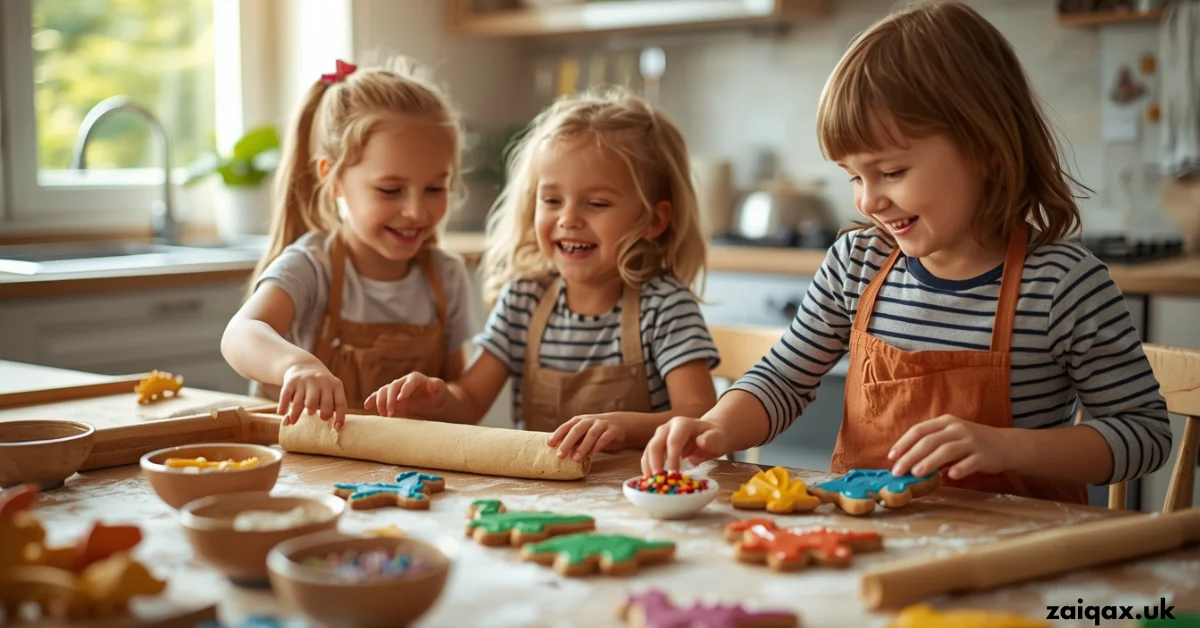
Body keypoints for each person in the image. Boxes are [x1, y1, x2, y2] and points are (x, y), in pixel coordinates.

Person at [640, 1, 1173, 502]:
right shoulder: (856, 265)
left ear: (987, 151)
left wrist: (1008, 447)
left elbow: (1143, 434)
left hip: (1018, 558)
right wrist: (715, 426)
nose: (870, 200)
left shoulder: (1061, 285)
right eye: (854, 176)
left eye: (892, 172)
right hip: (868, 542)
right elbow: (781, 379)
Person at [366, 87, 721, 463]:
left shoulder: (664, 305)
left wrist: (623, 427)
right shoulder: (525, 300)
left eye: (596, 203)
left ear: (654, 219)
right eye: (551, 200)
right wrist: (436, 398)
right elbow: (469, 402)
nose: (568, 219)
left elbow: (699, 415)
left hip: (640, 497)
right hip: (544, 498)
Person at [221, 57, 474, 432]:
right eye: (391, 190)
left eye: (435, 188)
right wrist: (296, 365)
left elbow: (459, 395)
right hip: (304, 470)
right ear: (334, 179)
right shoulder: (310, 266)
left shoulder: (446, 277)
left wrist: (441, 399)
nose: (416, 210)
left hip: (402, 471)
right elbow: (240, 334)